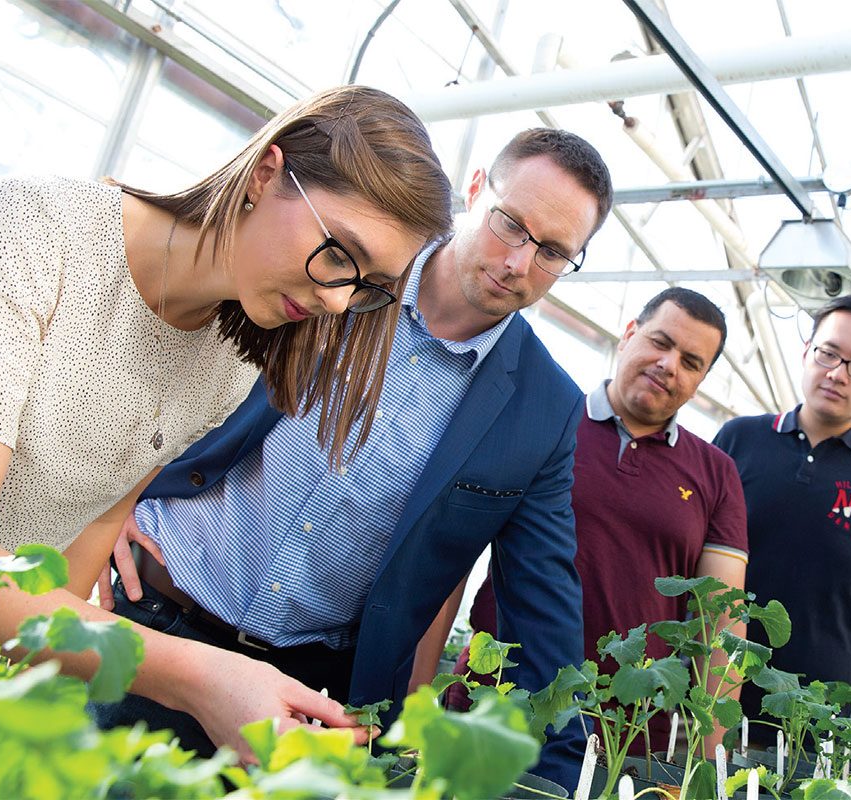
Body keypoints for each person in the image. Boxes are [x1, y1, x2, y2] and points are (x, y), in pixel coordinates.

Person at [0, 84, 455, 758]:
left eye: (368, 285)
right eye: (339, 252)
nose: (339, 301)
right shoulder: (29, 234)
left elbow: (73, 559)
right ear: (265, 174)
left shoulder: (226, 360)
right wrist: (196, 675)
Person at [95, 128, 614, 785]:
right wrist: (107, 497)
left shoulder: (543, 406)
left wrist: (555, 781)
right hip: (157, 624)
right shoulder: (349, 261)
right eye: (511, 225)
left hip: (302, 698)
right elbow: (170, 339)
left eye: (552, 252)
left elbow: (544, 599)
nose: (519, 262)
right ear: (476, 189)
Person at [435, 287, 749, 756]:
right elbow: (449, 559)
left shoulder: (715, 472)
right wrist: (414, 697)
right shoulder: (544, 422)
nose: (669, 365)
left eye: (691, 361)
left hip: (631, 730)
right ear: (628, 334)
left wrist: (709, 764)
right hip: (500, 696)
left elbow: (720, 619)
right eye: (660, 342)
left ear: (701, 379)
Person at [712, 294, 851, 742]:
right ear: (806, 350)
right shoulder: (739, 441)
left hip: (821, 723)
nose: (837, 374)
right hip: (710, 704)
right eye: (828, 353)